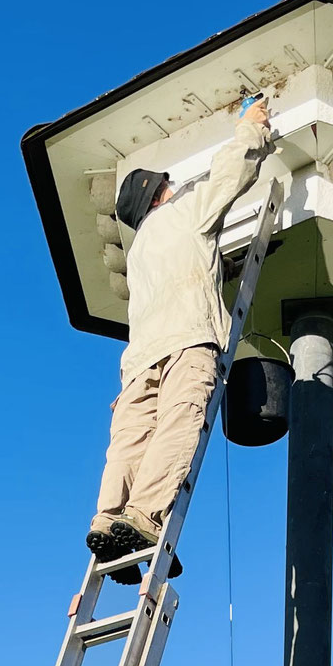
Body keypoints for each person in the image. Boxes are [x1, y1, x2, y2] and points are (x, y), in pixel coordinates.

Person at [88, 96, 274, 568]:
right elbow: (231, 173)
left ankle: (108, 520)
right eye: (167, 184)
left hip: (138, 361)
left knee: (130, 439)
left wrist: (220, 265)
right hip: (188, 340)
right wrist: (253, 127)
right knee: (178, 423)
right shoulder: (185, 211)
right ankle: (146, 519)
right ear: (158, 193)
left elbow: (182, 271)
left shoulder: (139, 251)